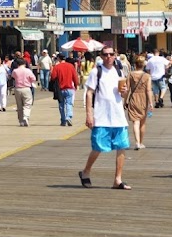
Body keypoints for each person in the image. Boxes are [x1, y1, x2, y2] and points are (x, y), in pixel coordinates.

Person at [78, 46, 130, 190]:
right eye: (105, 55)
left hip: (118, 115)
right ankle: (85, 172)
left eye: (111, 54)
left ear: (115, 55)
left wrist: (125, 92)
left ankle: (117, 180)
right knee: (98, 147)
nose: (108, 57)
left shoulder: (119, 71)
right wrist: (89, 114)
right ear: (101, 56)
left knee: (121, 146)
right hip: (102, 116)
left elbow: (123, 94)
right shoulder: (97, 71)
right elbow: (89, 93)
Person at [126, 55, 154, 149]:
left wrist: (124, 101)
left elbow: (127, 89)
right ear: (143, 65)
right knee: (142, 122)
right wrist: (151, 102)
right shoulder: (147, 76)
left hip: (133, 97)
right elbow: (149, 90)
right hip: (143, 99)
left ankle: (137, 142)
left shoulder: (130, 74)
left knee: (135, 122)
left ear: (135, 64)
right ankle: (141, 142)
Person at [50, 55, 80, 126]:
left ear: (59, 59)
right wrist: (76, 85)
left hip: (60, 89)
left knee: (61, 105)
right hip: (69, 88)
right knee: (69, 103)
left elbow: (53, 77)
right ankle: (68, 117)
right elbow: (75, 77)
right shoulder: (70, 66)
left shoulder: (57, 67)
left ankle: (63, 120)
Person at [11, 58, 37, 127]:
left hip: (17, 89)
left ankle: (21, 121)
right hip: (26, 88)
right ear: (24, 63)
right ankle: (26, 116)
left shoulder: (15, 71)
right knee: (27, 104)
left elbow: (13, 77)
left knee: (19, 105)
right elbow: (33, 78)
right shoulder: (28, 70)